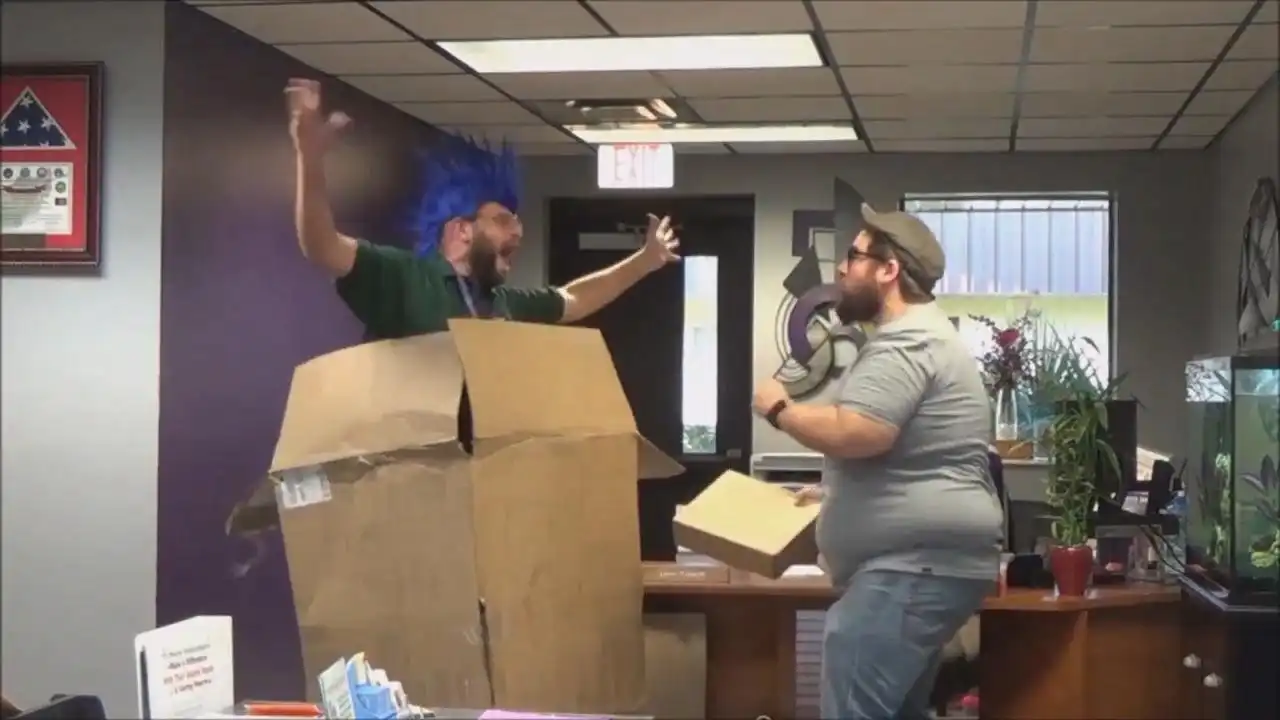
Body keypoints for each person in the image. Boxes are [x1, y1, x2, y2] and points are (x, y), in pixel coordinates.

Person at [751, 203, 1004, 719]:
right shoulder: (923, 338)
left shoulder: (907, 341)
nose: (842, 269)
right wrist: (837, 493)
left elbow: (859, 431)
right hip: (920, 565)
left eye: (854, 255)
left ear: (889, 270)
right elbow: (914, 451)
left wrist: (779, 409)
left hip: (909, 568)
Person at [286, 78, 679, 339]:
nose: (519, 231)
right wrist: (310, 158)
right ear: (462, 229)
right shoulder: (406, 278)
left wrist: (645, 261)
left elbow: (574, 299)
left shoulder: (502, 301)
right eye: (503, 220)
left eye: (517, 221)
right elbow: (322, 246)